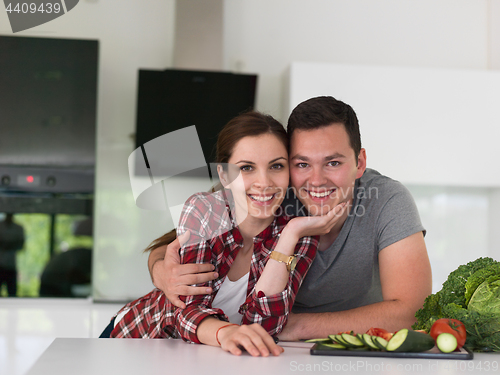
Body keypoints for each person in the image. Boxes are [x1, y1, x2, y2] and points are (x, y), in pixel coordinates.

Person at [148, 96, 433, 340]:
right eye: (302, 164)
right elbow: (177, 243)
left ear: (359, 163)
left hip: (342, 349)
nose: (316, 181)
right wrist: (161, 270)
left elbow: (411, 311)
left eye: (333, 163)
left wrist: (296, 326)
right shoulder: (272, 193)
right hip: (260, 347)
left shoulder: (388, 200)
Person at [106, 111, 346, 356]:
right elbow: (185, 310)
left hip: (205, 358)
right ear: (224, 175)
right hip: (135, 339)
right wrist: (226, 332)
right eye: (246, 168)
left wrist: (290, 234)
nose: (263, 182)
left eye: (276, 166)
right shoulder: (204, 210)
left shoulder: (300, 233)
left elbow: (265, 326)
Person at [0, 213, 25, 297]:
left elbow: (21, 245)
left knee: (12, 294)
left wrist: (6, 244)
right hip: (1, 265)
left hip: (11, 266)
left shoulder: (18, 228)